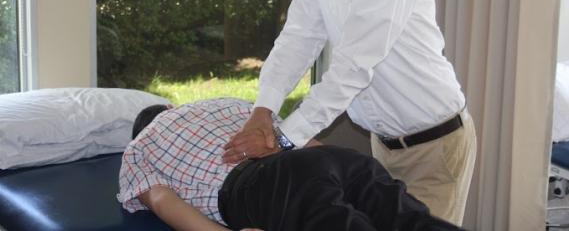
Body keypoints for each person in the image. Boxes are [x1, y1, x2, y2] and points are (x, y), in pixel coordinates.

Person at [222, 0, 477, 226]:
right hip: (384, 145)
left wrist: (285, 139)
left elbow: (352, 69)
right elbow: (297, 39)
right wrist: (263, 109)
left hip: (433, 149)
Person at [118, 97, 463, 231]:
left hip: (266, 184)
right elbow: (293, 138)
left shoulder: (138, 147)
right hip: (329, 159)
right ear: (169, 106)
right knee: (408, 218)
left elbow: (161, 200)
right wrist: (336, 166)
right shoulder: (222, 102)